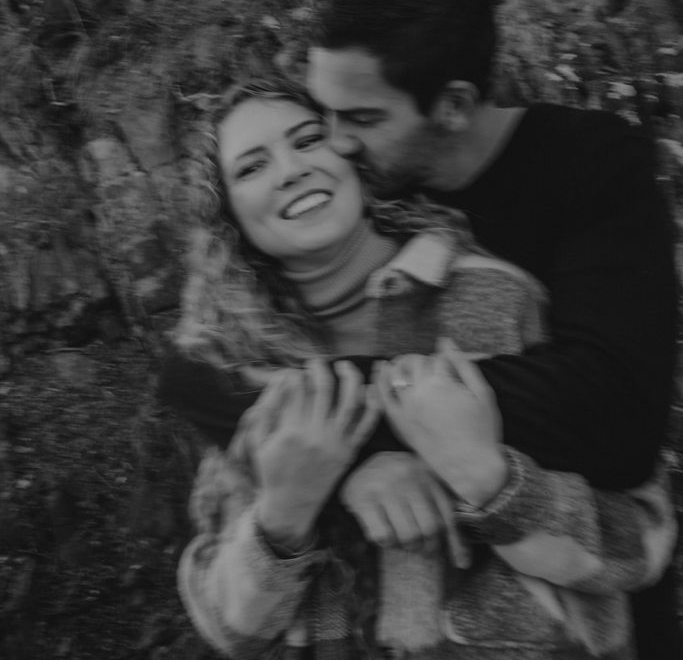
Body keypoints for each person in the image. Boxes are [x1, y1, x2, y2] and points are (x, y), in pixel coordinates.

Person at [170, 76, 675, 660]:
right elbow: (231, 631)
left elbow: (642, 536)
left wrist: (489, 481)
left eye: (308, 140)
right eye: (252, 167)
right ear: (229, 215)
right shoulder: (238, 369)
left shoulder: (496, 296)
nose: (290, 171)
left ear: (352, 153)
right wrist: (286, 513)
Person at [306, 0, 681, 657]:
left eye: (360, 117)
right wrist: (356, 455)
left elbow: (616, 413)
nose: (332, 143)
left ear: (452, 105)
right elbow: (207, 375)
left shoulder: (590, 166)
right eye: (321, 113)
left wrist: (351, 411)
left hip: (593, 602)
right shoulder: (351, 197)